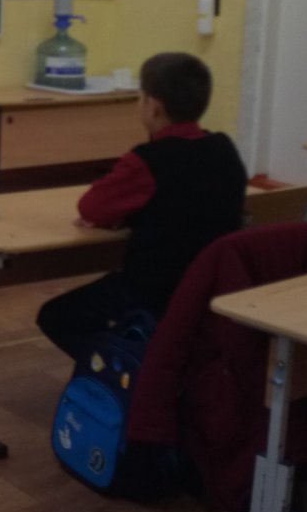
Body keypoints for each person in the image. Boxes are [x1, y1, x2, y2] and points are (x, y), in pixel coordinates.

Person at [36, 52, 247, 357]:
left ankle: (127, 369)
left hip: (153, 289)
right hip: (211, 286)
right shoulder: (224, 148)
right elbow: (187, 204)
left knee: (57, 316)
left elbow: (91, 207)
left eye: (139, 97)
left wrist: (119, 215)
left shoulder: (147, 161)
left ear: (154, 107)